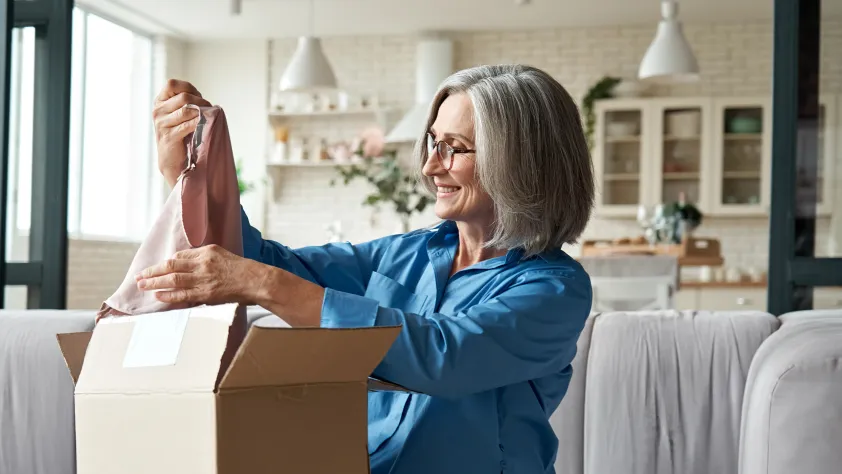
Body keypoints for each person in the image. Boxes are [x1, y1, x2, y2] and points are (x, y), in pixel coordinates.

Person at [139, 64, 594, 473]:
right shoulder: (401, 255)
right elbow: (268, 263)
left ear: (520, 162)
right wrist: (188, 174)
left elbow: (443, 356)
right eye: (433, 143)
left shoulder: (554, 290)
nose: (431, 165)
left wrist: (265, 284)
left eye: (454, 148)